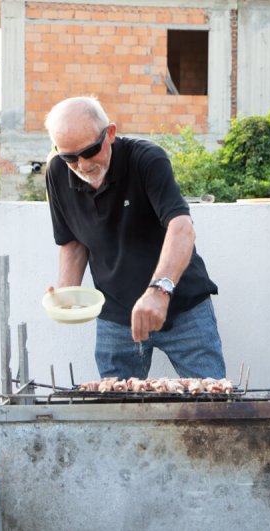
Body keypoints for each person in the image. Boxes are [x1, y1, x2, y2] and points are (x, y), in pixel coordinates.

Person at [43, 96, 225, 380]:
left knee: (210, 404)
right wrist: (68, 294)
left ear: (110, 133)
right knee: (117, 413)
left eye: (90, 151)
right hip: (116, 317)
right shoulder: (56, 171)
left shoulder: (146, 159)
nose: (81, 165)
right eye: (69, 157)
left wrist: (159, 291)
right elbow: (73, 240)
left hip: (183, 308)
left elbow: (182, 228)